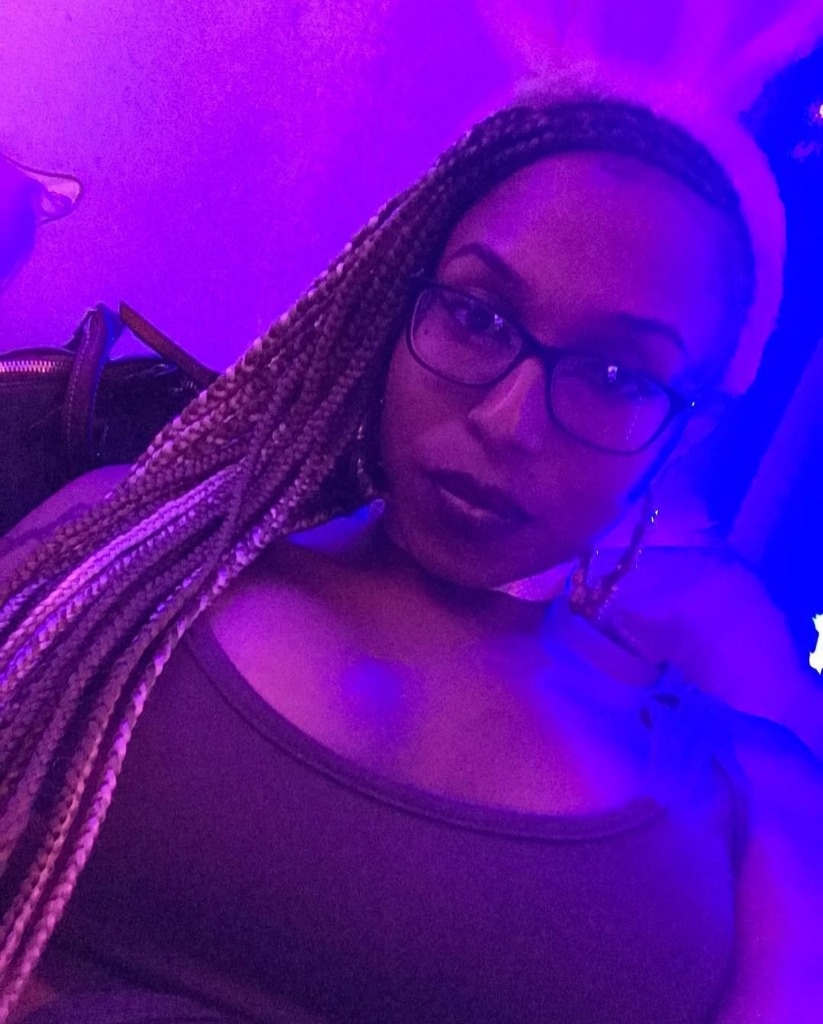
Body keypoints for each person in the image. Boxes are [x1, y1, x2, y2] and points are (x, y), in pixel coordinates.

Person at [1, 81, 823, 1024]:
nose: (506, 421)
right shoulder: (114, 554)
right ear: (392, 308)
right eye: (477, 317)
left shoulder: (755, 798)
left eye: (614, 375)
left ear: (687, 430)